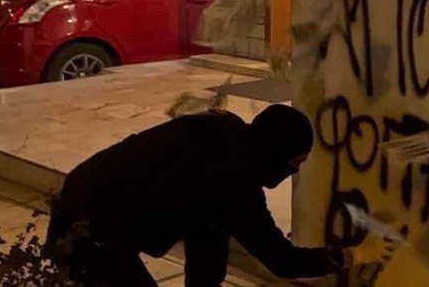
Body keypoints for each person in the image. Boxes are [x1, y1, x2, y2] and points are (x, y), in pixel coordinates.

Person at [47, 104, 394, 286]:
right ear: (277, 154)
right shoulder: (233, 179)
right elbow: (281, 260)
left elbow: (208, 244)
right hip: (85, 231)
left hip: (85, 201)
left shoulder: (228, 141)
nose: (296, 172)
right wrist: (354, 254)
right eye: (296, 163)